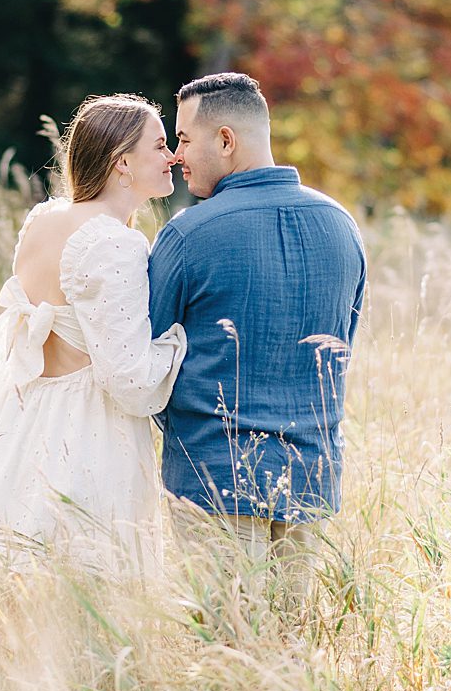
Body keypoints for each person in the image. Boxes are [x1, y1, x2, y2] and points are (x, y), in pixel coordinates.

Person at [0, 93, 188, 575]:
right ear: (122, 163)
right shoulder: (114, 241)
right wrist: (179, 342)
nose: (173, 156)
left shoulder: (45, 219)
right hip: (88, 425)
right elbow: (132, 381)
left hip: (23, 412)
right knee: (85, 578)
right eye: (160, 146)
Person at [149, 71, 368, 550]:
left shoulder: (187, 235)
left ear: (226, 140)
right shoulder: (342, 226)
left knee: (223, 625)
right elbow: (340, 347)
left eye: (184, 139)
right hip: (311, 477)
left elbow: (148, 359)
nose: (176, 154)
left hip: (213, 478)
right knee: (295, 626)